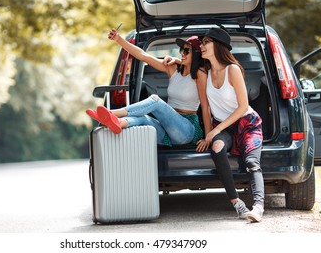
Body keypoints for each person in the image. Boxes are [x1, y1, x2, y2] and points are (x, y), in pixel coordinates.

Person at [165, 27, 265, 222]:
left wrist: (214, 130)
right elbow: (205, 107)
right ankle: (237, 204)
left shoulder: (233, 69)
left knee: (252, 162)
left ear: (218, 46)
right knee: (217, 148)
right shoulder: (203, 73)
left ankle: (258, 207)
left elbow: (243, 106)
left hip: (247, 123)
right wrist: (208, 135)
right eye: (201, 43)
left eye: (206, 42)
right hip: (223, 126)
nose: (201, 46)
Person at [86, 27, 208, 146]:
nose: (182, 53)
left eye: (187, 51)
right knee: (143, 119)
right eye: (181, 50)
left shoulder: (200, 74)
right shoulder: (173, 68)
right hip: (167, 129)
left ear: (197, 54)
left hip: (186, 130)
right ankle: (118, 122)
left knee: (155, 100)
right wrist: (119, 39)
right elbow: (142, 55)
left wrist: (208, 137)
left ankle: (111, 113)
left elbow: (205, 107)